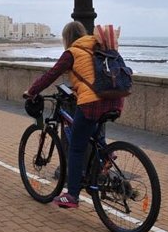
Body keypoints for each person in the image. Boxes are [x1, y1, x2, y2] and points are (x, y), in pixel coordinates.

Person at [24, 21, 124, 209]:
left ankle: (72, 195)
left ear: (67, 39)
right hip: (115, 99)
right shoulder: (98, 46)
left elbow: (51, 75)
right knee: (92, 132)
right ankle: (107, 154)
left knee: (76, 148)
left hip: (91, 103)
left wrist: (32, 91)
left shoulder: (72, 52)